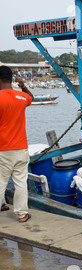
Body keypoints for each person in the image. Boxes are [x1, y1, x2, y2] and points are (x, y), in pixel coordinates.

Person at [0, 66, 33, 222]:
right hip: (21, 147)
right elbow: (30, 98)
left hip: (3, 148)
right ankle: (21, 214)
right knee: (20, 181)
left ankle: (1, 205)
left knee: (1, 181)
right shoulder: (21, 97)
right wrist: (23, 86)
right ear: (11, 79)